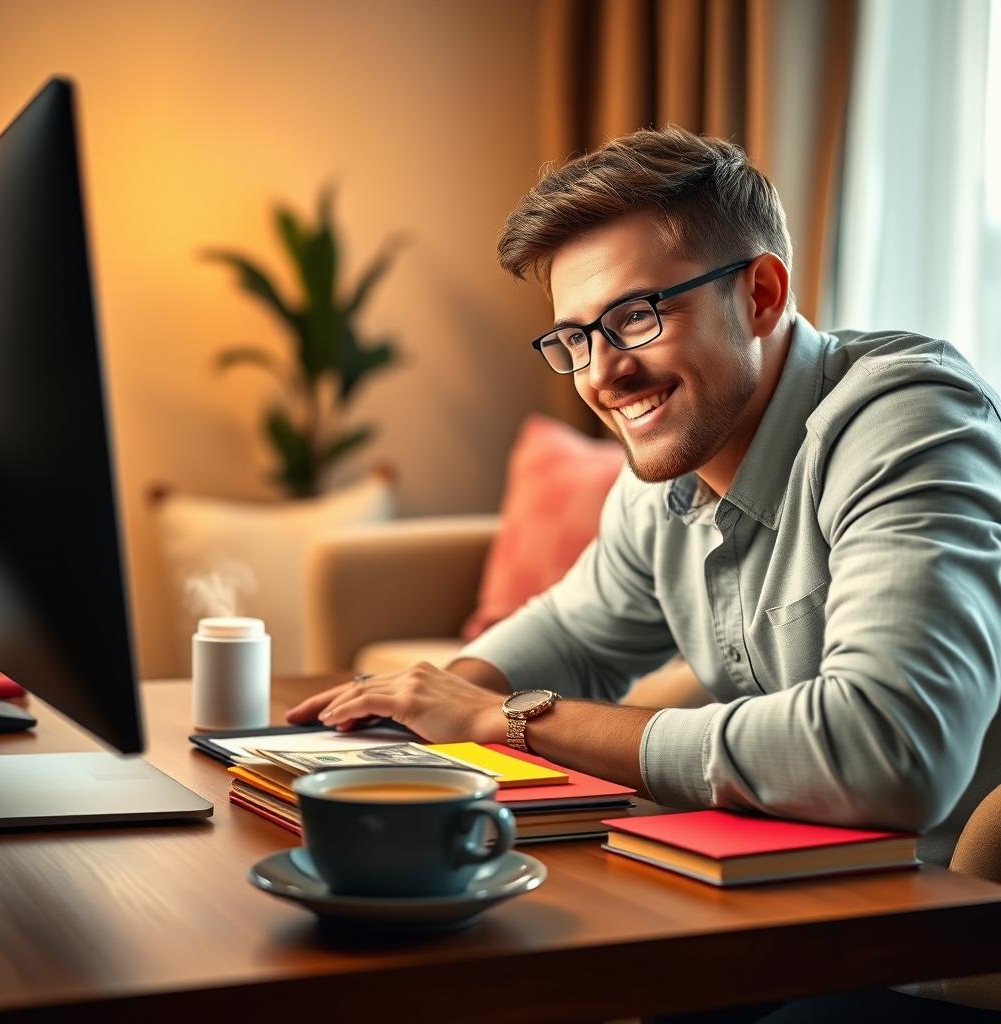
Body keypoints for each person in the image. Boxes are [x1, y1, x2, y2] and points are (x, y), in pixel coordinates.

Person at [288, 127, 1001, 1019]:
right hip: (792, 899)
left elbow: (892, 753)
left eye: (635, 317)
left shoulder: (906, 421)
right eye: (574, 337)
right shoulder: (663, 477)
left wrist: (508, 721)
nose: (603, 373)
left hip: (944, 939)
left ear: (762, 294)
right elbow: (573, 631)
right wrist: (419, 706)